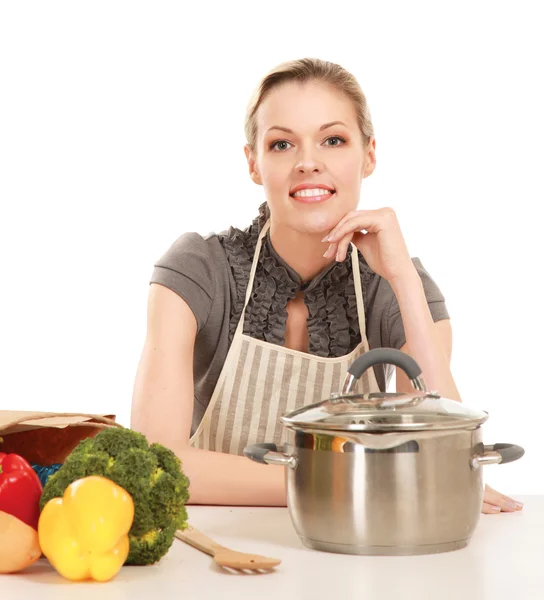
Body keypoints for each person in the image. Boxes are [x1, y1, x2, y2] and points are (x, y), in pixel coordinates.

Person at [130, 57, 523, 516]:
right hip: (213, 558)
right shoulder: (200, 270)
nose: (308, 163)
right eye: (282, 145)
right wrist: (360, 479)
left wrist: (403, 281)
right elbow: (158, 463)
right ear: (253, 162)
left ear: (369, 154)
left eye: (333, 140)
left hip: (356, 562)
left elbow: (443, 457)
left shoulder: (394, 286)